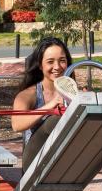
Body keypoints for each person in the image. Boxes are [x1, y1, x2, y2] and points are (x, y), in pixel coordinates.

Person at [12, 37, 71, 169]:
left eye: (62, 61)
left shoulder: (72, 92)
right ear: (40, 65)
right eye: (50, 62)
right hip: (35, 161)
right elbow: (16, 125)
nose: (57, 67)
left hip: (63, 159)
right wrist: (50, 106)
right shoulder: (28, 95)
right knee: (54, 120)